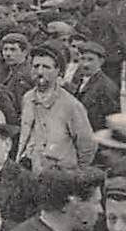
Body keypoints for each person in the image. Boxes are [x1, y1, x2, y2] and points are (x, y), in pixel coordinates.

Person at [17, 43, 96, 174]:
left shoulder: (71, 105)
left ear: (58, 71)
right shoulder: (28, 98)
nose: (40, 72)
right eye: (36, 66)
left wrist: (75, 176)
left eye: (46, 67)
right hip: (29, 171)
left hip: (58, 176)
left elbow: (87, 147)